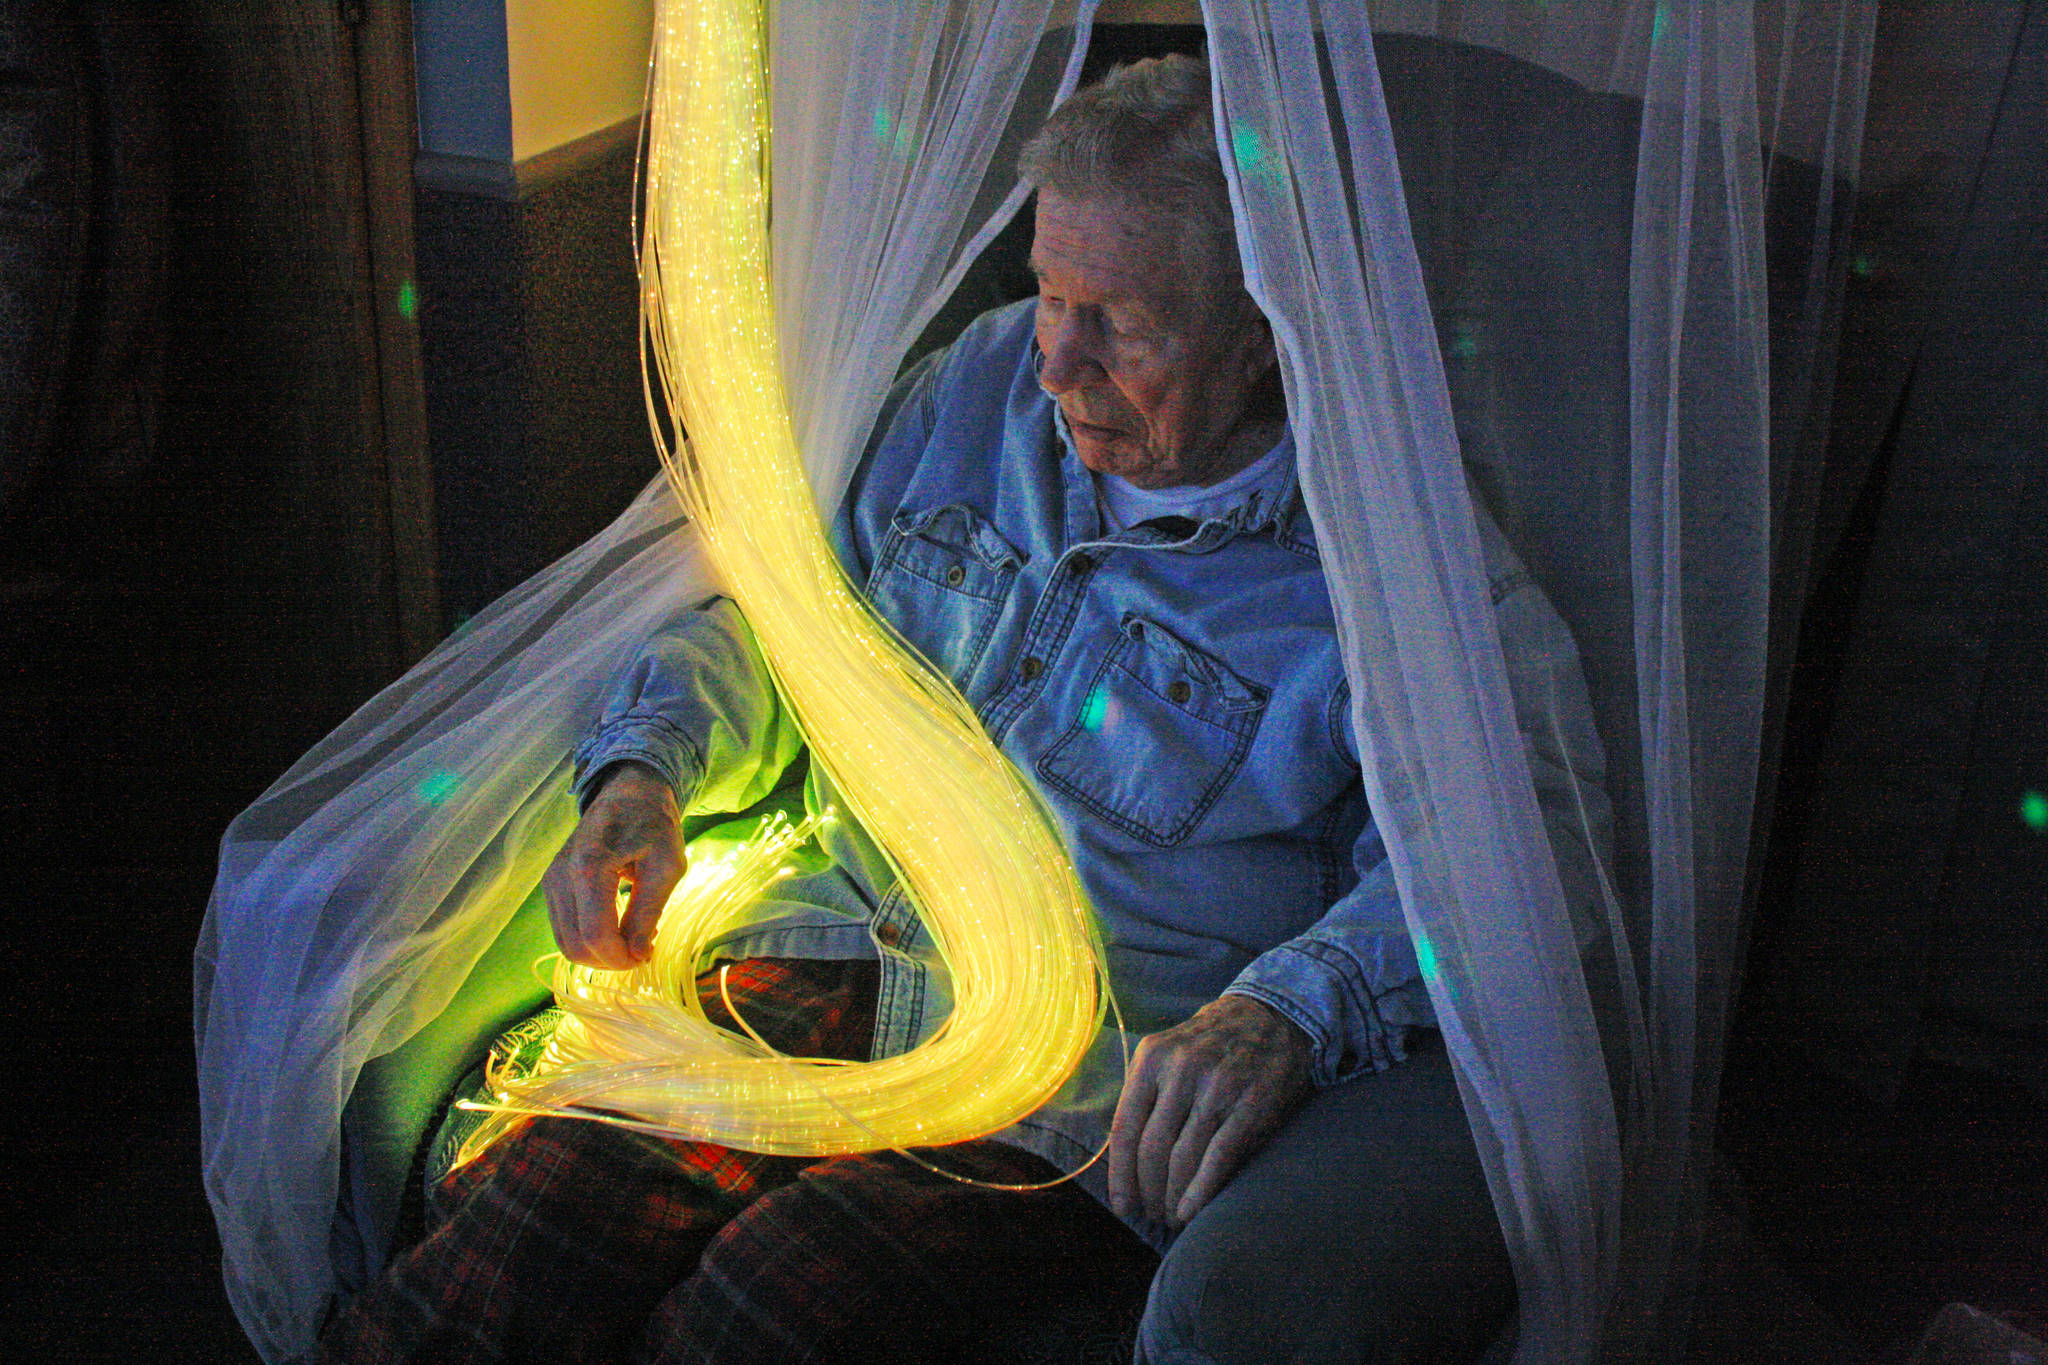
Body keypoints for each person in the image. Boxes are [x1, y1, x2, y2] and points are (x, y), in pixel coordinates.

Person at [321, 53, 1604, 1365]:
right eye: (1049, 293)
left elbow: (1522, 849)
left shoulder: (1383, 569)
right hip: (820, 951)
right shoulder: (980, 385)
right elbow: (787, 623)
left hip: (1057, 1094)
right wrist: (642, 773)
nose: (1058, 360)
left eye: (1116, 320)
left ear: (1264, 333)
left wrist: (1285, 1007)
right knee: (519, 1236)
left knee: (760, 1312)